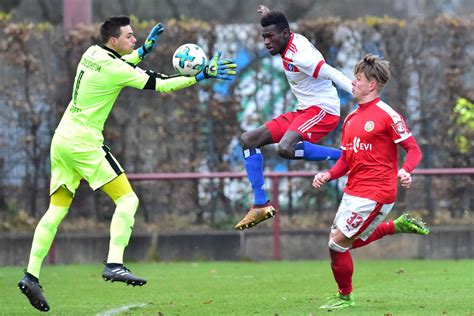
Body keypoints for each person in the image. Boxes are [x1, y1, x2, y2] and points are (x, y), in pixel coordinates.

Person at [18, 16, 237, 312]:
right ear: (113, 41)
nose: (135, 39)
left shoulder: (92, 53)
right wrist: (200, 76)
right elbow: (161, 85)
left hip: (62, 139)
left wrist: (143, 50)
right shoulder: (116, 69)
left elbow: (123, 62)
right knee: (128, 200)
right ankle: (114, 263)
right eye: (130, 36)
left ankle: (31, 275)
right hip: (84, 143)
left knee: (56, 211)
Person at [312, 53, 429, 309]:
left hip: (377, 192)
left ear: (372, 84)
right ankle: (395, 227)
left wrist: (406, 170)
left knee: (337, 242)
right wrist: (328, 175)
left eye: (358, 79)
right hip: (353, 190)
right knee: (339, 243)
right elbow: (346, 159)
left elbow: (414, 150)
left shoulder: (388, 115)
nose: (353, 83)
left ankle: (345, 297)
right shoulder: (351, 118)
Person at [234, 5, 354, 230]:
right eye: (264, 37)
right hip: (303, 110)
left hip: (323, 112)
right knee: (248, 140)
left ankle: (344, 158)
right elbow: (281, 26)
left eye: (271, 37)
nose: (267, 42)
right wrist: (270, 16)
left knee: (285, 148)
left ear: (285, 34)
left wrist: (355, 91)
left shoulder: (301, 56)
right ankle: (260, 204)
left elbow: (330, 72)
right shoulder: (287, 38)